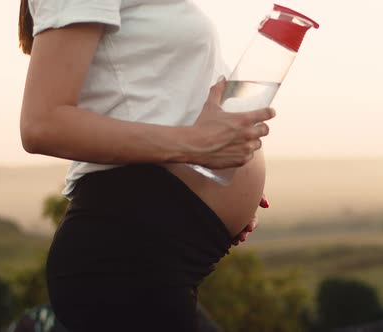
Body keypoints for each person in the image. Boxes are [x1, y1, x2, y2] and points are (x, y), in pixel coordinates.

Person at [18, 0, 275, 330]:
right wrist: (199, 147)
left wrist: (227, 173)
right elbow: (42, 125)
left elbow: (161, 99)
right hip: (122, 259)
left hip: (156, 254)